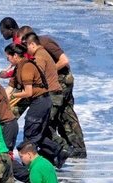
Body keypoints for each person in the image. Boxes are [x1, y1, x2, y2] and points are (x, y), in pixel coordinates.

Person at [20, 29, 86, 158]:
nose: (24, 49)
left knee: (46, 122)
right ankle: (72, 148)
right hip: (56, 88)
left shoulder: (44, 46)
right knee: (62, 117)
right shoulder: (41, 52)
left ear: (31, 42)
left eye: (25, 45)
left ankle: (62, 149)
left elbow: (64, 61)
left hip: (58, 86)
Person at [5, 43, 68, 169]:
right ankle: (58, 151)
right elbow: (9, 89)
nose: (8, 60)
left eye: (8, 57)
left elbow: (28, 92)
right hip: (39, 102)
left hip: (41, 102)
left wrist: (13, 97)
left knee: (29, 136)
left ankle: (30, 166)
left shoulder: (27, 67)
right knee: (36, 134)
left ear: (15, 56)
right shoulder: (18, 68)